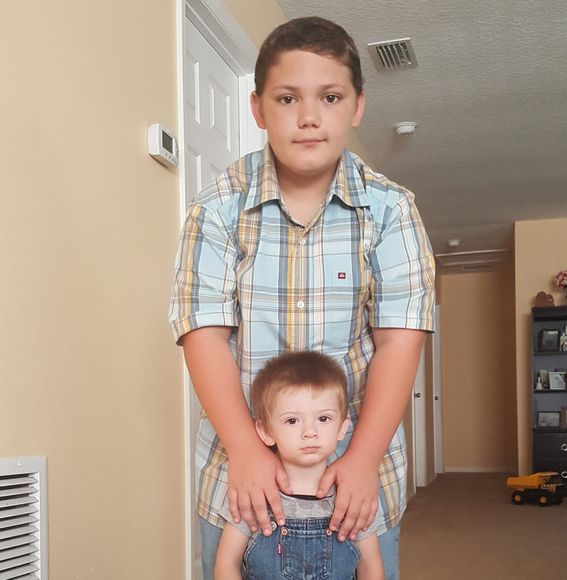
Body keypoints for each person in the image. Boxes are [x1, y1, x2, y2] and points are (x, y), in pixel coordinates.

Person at [169, 16, 435, 580]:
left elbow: (399, 343)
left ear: (357, 106)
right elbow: (203, 334)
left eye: (330, 97)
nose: (309, 117)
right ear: (258, 109)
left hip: (357, 479)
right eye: (287, 98)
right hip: (240, 479)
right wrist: (246, 450)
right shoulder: (215, 208)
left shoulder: (392, 211)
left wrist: (361, 458)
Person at [215, 351, 385, 579]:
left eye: (323, 418)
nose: (310, 432)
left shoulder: (354, 497)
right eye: (292, 420)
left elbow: (370, 567)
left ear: (342, 427)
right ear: (266, 431)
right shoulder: (254, 495)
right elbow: (227, 563)